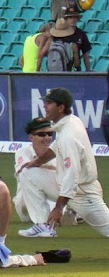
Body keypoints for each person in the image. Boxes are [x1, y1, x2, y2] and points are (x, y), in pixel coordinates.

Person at [20, 88, 109, 237]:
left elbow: (72, 173)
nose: (45, 106)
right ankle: (43, 226)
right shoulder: (70, 121)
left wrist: (58, 208)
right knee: (28, 173)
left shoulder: (69, 135)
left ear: (61, 107)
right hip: (65, 186)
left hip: (83, 192)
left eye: (49, 103)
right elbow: (55, 147)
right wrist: (37, 162)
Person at [14, 118, 60, 237]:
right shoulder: (22, 152)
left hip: (51, 197)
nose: (47, 138)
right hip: (25, 201)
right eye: (41, 134)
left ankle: (44, 225)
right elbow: (23, 171)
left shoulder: (57, 151)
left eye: (50, 134)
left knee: (58, 209)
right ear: (31, 137)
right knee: (27, 173)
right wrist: (46, 167)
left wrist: (38, 166)